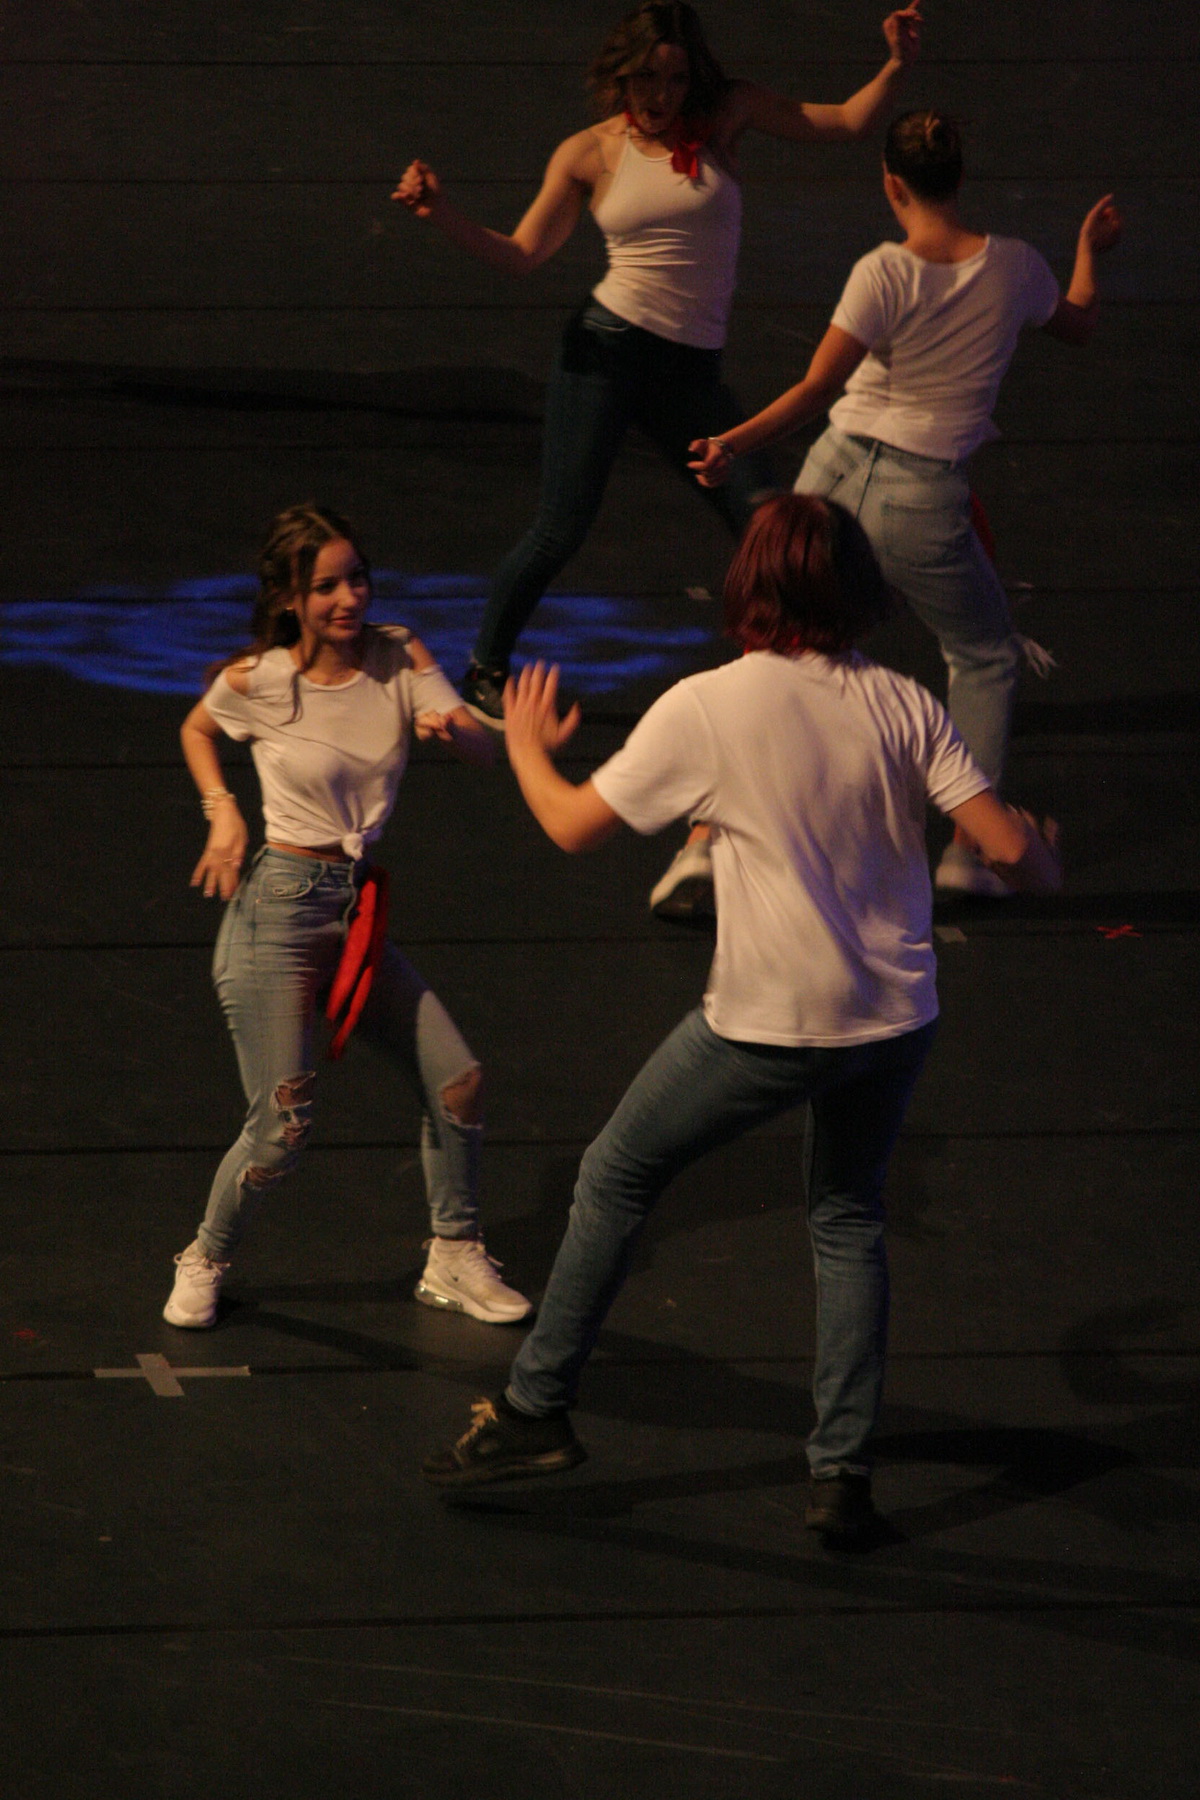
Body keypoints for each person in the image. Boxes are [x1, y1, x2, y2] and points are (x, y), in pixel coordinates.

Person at [421, 493, 1061, 1542]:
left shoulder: (709, 705)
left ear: (751, 586)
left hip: (771, 1023)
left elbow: (574, 827)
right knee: (847, 1218)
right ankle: (841, 1477)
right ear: (855, 589)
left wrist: (528, 746)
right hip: (894, 1017)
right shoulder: (903, 701)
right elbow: (1006, 850)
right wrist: (1046, 860)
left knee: (614, 1175)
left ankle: (535, 1412)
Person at [393, 3, 923, 726]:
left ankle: (799, 672)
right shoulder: (588, 152)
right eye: (647, 77)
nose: (661, 95)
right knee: (560, 528)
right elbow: (522, 254)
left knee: (763, 516)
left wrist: (895, 64)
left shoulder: (727, 114)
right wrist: (442, 213)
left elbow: (845, 123)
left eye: (675, 79)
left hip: (690, 375)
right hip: (603, 356)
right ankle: (485, 668)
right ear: (622, 74)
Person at [688, 109, 1122, 896]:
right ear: (959, 177)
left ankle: (709, 840)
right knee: (984, 655)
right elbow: (1081, 323)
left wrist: (730, 445)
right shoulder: (1018, 268)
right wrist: (1090, 249)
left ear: (892, 184)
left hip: (831, 476)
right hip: (921, 498)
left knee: (776, 643)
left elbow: (817, 388)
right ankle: (969, 853)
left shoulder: (882, 272)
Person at [163, 504, 532, 1330]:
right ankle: (205, 1256)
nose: (348, 599)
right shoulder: (260, 680)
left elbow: (482, 748)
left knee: (460, 1082)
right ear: (290, 598)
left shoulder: (399, 655)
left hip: (354, 916)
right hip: (278, 919)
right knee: (281, 1129)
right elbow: (197, 727)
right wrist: (222, 810)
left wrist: (463, 731)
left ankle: (454, 1252)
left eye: (357, 579)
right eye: (326, 586)